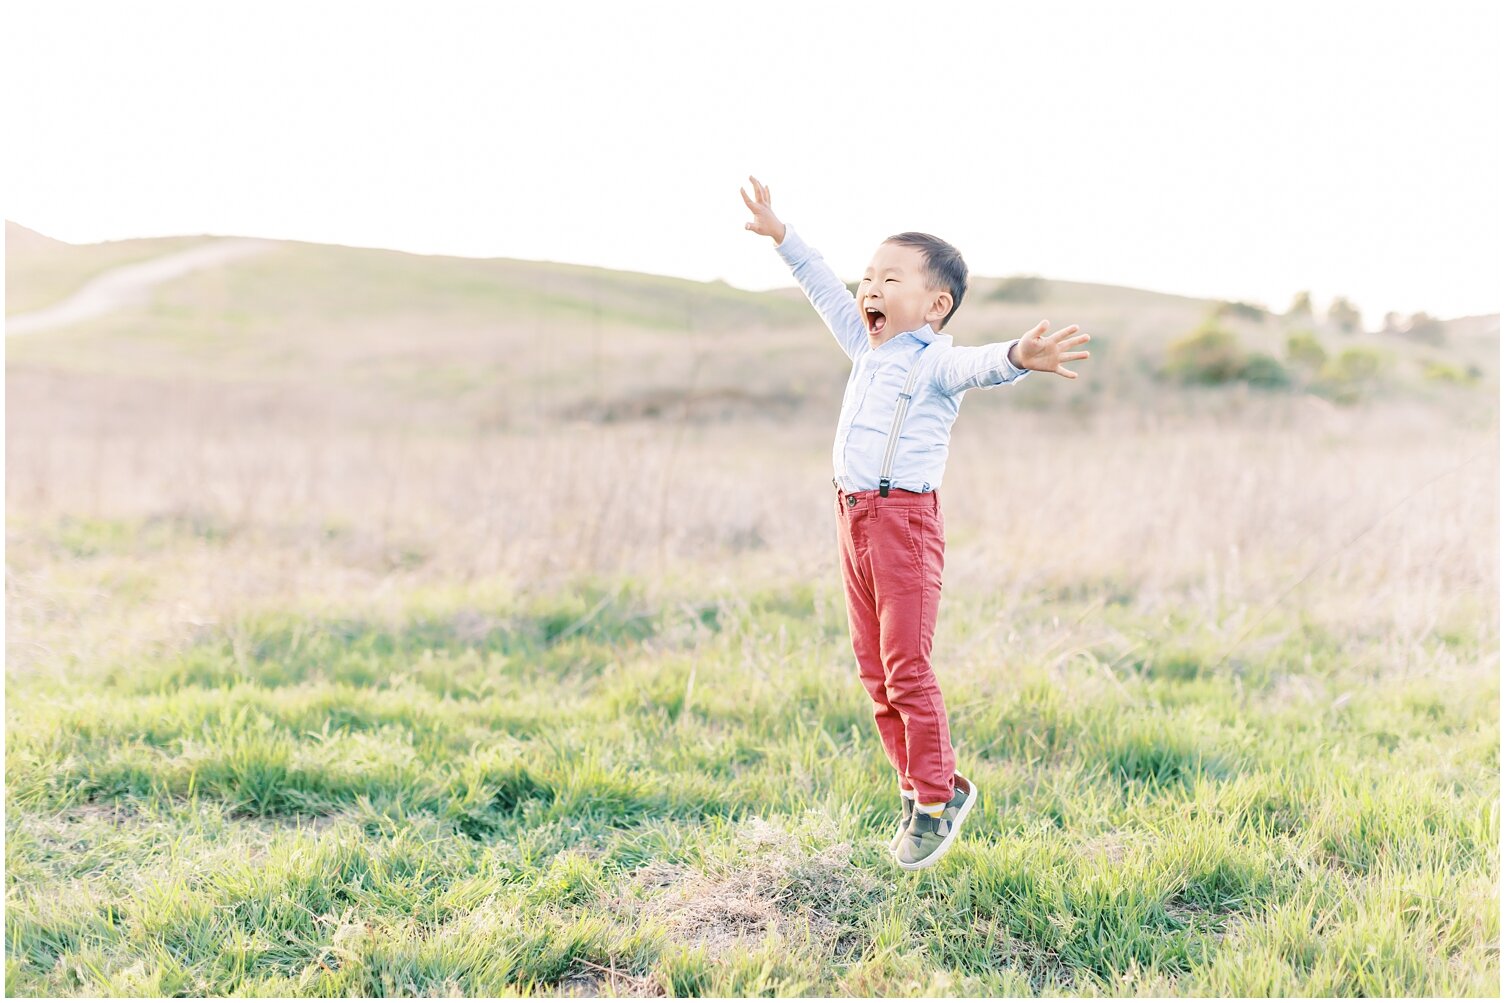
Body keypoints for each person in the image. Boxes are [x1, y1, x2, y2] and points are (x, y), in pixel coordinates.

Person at [739, 175, 1091, 870]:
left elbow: (982, 364)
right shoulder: (864, 345)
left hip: (903, 524)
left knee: (907, 668)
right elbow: (821, 287)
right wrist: (783, 236)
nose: (869, 288)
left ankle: (936, 799)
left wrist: (1020, 355)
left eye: (889, 278)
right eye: (868, 276)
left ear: (934, 305)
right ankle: (914, 790)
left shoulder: (935, 362)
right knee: (874, 671)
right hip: (852, 518)